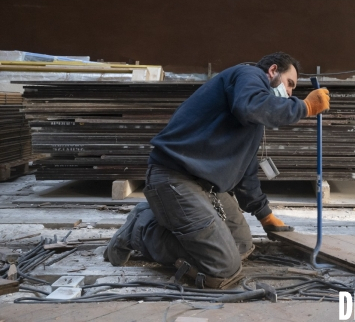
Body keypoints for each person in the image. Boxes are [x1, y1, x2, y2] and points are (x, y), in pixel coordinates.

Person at [104, 52, 330, 288]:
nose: (290, 93)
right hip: (175, 177)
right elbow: (251, 106)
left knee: (242, 246)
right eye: (290, 84)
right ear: (273, 71)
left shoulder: (252, 116)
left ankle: (159, 216)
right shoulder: (249, 75)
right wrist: (304, 107)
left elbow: (245, 171)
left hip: (206, 186)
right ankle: (140, 230)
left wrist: (265, 215)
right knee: (223, 268)